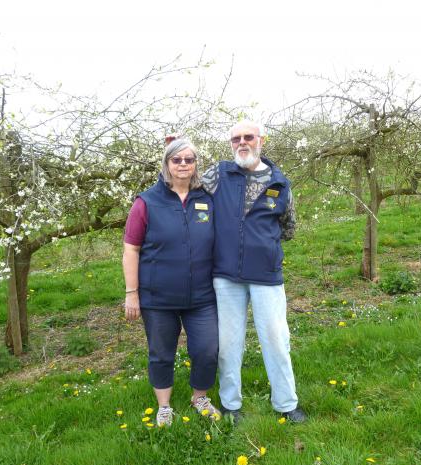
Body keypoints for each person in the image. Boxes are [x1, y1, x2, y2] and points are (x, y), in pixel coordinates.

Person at [201, 120, 306, 423]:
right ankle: (231, 405)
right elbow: (181, 185)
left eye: (249, 137)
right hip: (225, 275)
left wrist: (262, 244)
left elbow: (289, 228)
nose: (242, 143)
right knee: (229, 342)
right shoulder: (218, 174)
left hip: (266, 275)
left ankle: (286, 404)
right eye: (236, 139)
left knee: (275, 339)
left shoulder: (280, 183)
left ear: (262, 140)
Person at [122, 138, 221, 427]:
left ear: (195, 165)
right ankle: (164, 406)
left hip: (201, 296)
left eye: (189, 160)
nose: (183, 165)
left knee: (207, 349)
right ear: (166, 164)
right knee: (161, 352)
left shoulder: (206, 199)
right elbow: (131, 249)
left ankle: (199, 396)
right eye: (176, 160)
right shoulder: (146, 202)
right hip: (158, 297)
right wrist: (132, 293)